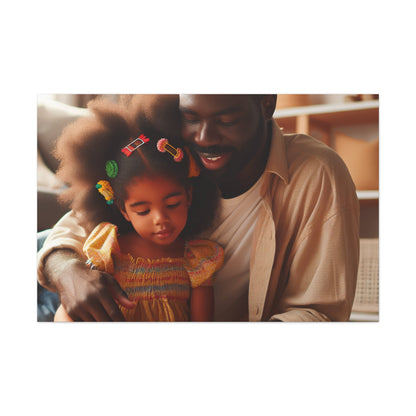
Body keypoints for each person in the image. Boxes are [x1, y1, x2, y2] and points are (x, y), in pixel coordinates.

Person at [38, 94, 360, 322]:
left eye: (227, 120)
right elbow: (72, 228)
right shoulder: (172, 147)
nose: (204, 138)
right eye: (191, 118)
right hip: (62, 281)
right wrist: (67, 271)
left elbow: (320, 312)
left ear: (266, 103)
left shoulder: (316, 174)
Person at [48, 97, 223, 321]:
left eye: (172, 204)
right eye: (142, 211)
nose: (160, 219)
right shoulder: (108, 249)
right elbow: (70, 311)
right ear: (123, 210)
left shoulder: (198, 260)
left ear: (188, 195)